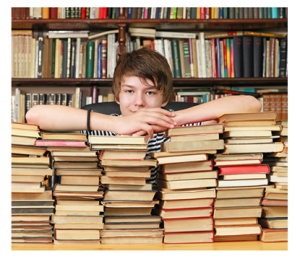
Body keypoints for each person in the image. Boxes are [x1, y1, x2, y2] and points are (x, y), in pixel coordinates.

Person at [26, 47, 262, 185]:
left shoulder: (180, 125)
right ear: (117, 95)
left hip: (172, 219)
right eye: (129, 91)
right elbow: (34, 115)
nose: (138, 101)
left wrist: (172, 120)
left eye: (150, 92)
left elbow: (251, 104)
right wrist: (117, 124)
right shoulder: (98, 127)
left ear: (165, 97)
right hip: (106, 218)